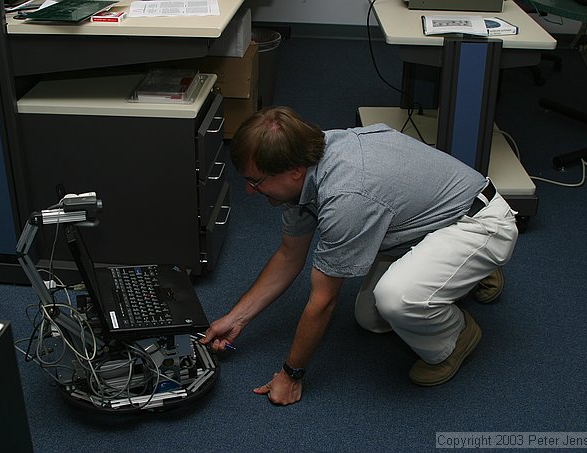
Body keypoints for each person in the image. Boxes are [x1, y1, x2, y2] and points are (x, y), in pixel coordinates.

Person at [199, 106, 518, 406]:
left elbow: (323, 301)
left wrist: (291, 374)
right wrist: (235, 317)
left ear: (294, 171)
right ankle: (463, 270)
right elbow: (288, 256)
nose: (250, 192)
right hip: (430, 217)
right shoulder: (308, 155)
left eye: (255, 181)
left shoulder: (345, 197)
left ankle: (458, 335)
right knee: (371, 318)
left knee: (397, 299)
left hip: (480, 221)